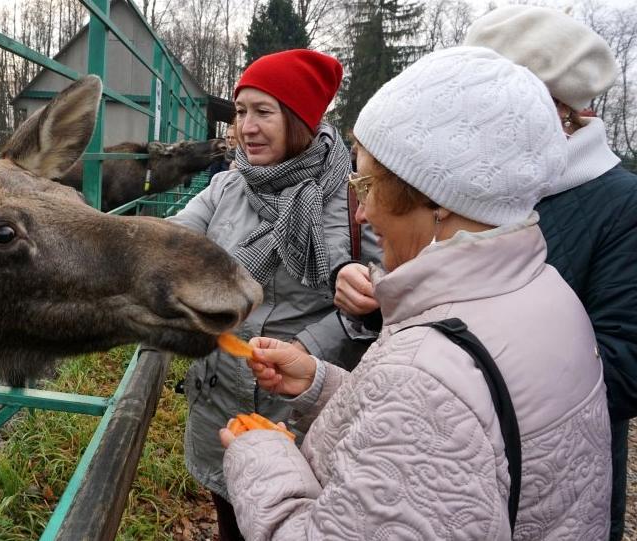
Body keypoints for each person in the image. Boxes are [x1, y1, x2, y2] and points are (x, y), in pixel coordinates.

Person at [220, 47, 612, 539]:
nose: (362, 215)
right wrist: (321, 383)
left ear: (433, 194)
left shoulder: (425, 373)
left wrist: (262, 457)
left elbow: (428, 407)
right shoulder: (545, 292)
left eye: (366, 185)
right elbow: (453, 429)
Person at [335, 8, 637, 539]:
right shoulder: (445, 180)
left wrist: (451, 398)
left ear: (566, 113)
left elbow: (626, 360)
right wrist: (381, 302)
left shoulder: (618, 203)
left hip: (546, 477)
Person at [167, 48, 378, 540]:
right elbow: (172, 243)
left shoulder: (351, 199)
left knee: (296, 519)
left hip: (303, 404)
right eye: (241, 113)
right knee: (231, 514)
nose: (246, 127)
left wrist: (309, 347)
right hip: (221, 395)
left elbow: (384, 291)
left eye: (264, 112)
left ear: (300, 119)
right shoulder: (225, 187)